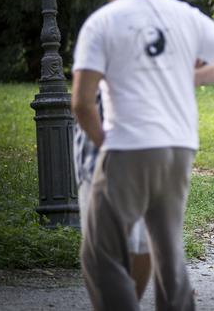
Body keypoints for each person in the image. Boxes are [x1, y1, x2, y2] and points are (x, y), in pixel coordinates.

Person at [71, 0, 214, 310]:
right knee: (169, 254)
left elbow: (81, 101)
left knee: (101, 256)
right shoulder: (184, 14)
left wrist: (103, 141)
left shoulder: (103, 22)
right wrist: (197, 77)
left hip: (128, 146)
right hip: (179, 148)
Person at [72, 95, 151, 300]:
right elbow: (82, 102)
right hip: (101, 154)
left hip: (152, 150)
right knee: (105, 254)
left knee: (143, 246)